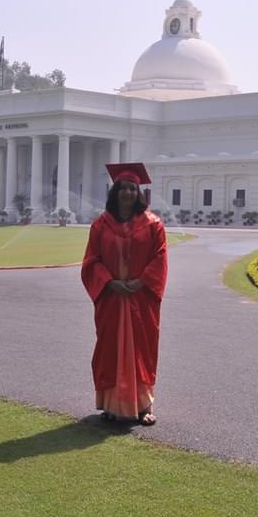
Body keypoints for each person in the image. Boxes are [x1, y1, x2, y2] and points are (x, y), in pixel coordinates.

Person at [81, 162, 167, 426]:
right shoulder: (101, 225)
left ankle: (144, 406)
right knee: (109, 349)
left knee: (143, 349)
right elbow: (91, 261)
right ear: (115, 192)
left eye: (132, 188)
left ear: (138, 192)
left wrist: (142, 282)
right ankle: (110, 404)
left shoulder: (153, 224)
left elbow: (160, 257)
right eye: (122, 188)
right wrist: (109, 282)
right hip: (111, 298)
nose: (127, 192)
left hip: (141, 299)